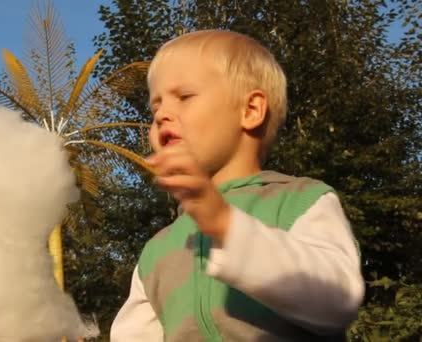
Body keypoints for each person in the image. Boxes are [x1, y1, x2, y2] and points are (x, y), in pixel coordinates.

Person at [110, 30, 365, 341]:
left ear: (251, 110)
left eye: (185, 97)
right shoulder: (156, 251)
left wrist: (226, 225)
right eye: (155, 107)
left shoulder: (301, 201)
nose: (162, 114)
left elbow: (337, 300)